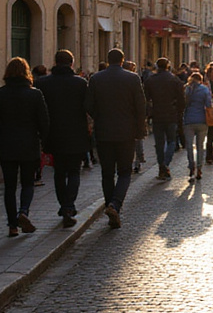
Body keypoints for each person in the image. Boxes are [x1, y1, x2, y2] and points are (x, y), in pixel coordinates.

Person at [85, 48, 147, 227]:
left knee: (107, 173)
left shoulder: (96, 78)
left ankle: (109, 205)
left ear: (107, 59)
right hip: (126, 132)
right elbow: (140, 106)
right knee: (125, 171)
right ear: (122, 60)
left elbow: (88, 104)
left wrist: (99, 116)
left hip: (104, 132)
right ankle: (115, 204)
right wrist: (140, 128)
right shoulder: (132, 78)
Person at [36, 50, 89, 227]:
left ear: (55, 62)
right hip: (76, 134)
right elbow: (88, 108)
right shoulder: (81, 83)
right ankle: (68, 205)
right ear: (71, 64)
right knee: (74, 171)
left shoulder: (43, 83)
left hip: (54, 134)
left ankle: (63, 205)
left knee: (59, 172)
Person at [0, 58, 49, 237]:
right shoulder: (35, 94)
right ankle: (23, 212)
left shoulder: (1, 93)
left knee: (10, 187)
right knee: (28, 183)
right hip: (29, 145)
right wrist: (44, 142)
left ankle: (12, 226)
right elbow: (44, 122)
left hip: (6, 147)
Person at [145, 57, 185, 180]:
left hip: (157, 114)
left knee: (159, 143)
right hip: (171, 115)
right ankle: (165, 164)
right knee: (172, 141)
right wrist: (179, 113)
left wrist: (148, 113)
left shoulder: (151, 80)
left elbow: (146, 98)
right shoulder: (174, 80)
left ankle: (162, 165)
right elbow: (181, 99)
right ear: (168, 66)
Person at [182, 71, 212, 182]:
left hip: (188, 120)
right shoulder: (204, 89)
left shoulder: (187, 89)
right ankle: (199, 168)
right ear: (201, 80)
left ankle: (191, 167)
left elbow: (183, 103)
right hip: (202, 120)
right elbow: (209, 104)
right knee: (200, 146)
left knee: (189, 146)